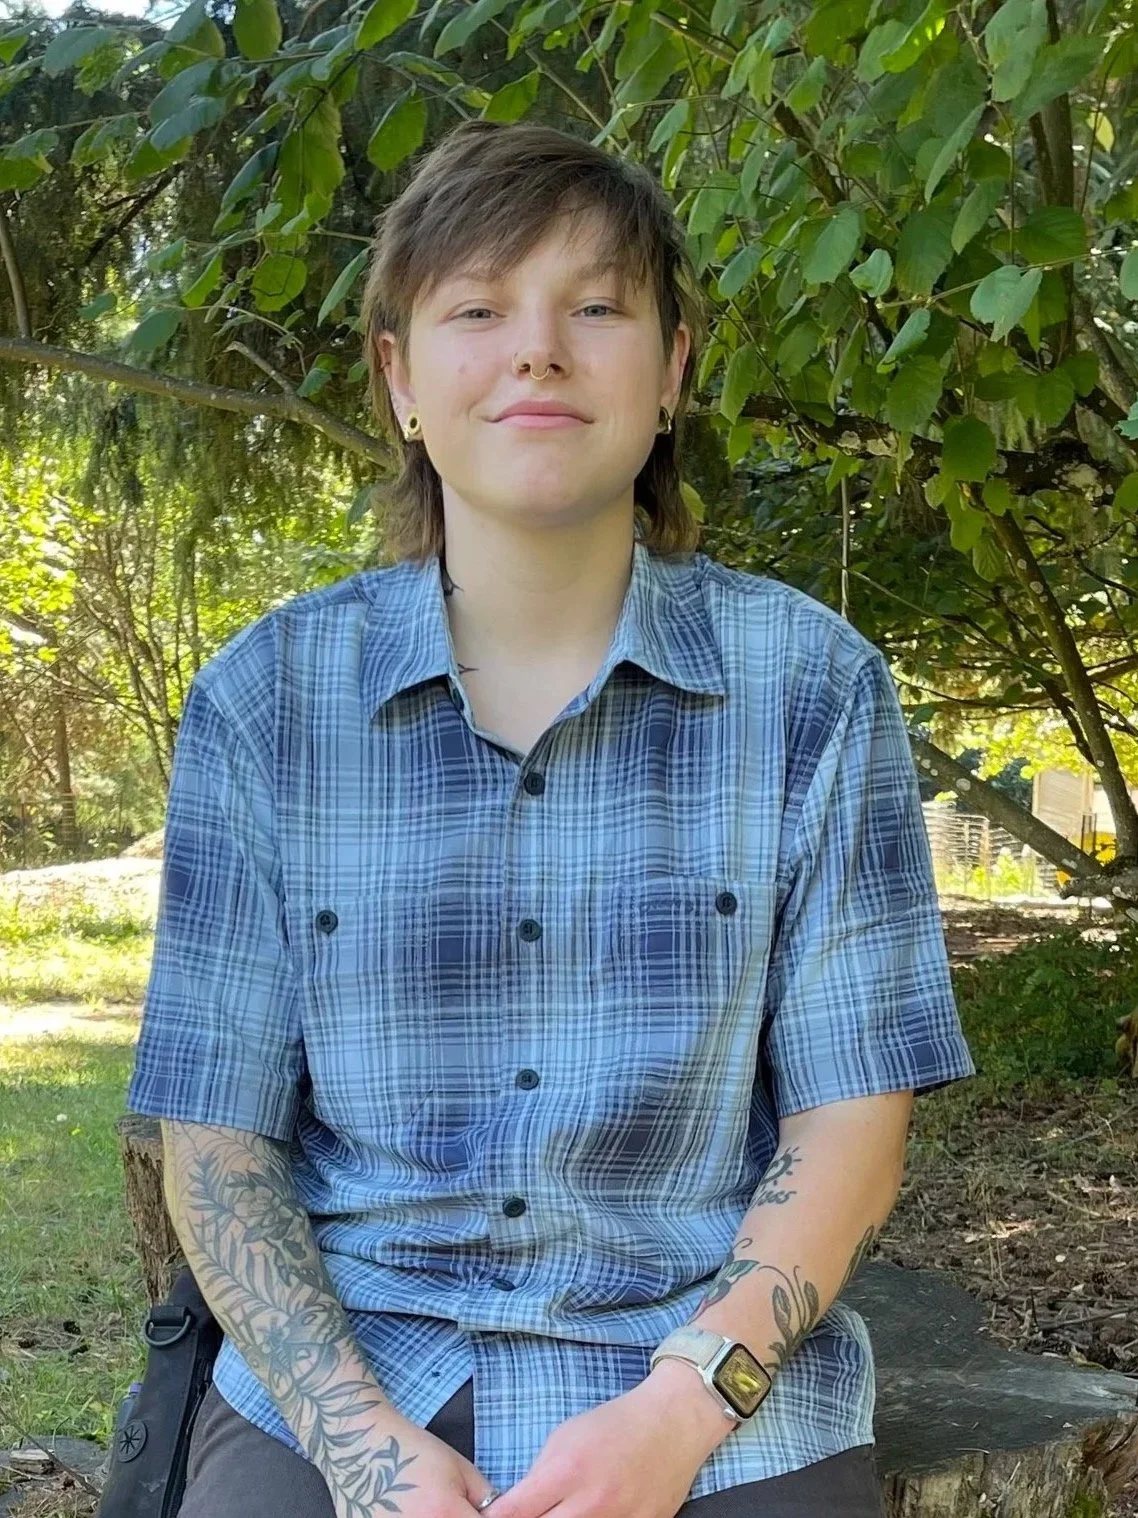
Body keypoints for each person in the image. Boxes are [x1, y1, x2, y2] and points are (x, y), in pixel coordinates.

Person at [125, 119, 977, 1518]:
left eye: (596, 307)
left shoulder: (815, 691)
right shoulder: (260, 705)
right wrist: (360, 1445)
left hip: (712, 1392)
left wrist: (673, 1414)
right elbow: (216, 1142)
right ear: (400, 375)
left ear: (672, 369)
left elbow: (850, 1122)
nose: (538, 350)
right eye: (477, 309)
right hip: (352, 1373)